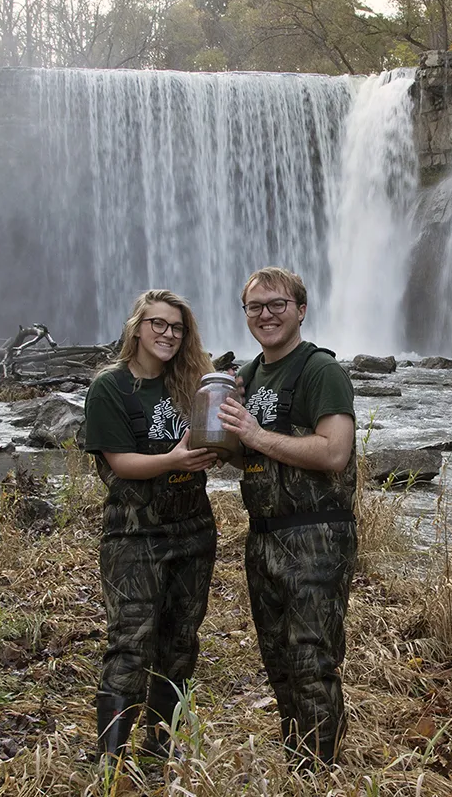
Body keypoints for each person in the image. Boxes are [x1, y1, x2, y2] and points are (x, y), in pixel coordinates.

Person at [217, 267, 357, 766]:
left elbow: (334, 452)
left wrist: (253, 435)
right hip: (264, 537)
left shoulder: (320, 371)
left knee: (312, 660)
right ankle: (299, 762)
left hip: (316, 534)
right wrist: (219, 441)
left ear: (300, 310)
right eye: (255, 307)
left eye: (277, 304)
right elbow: (251, 456)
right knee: (278, 661)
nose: (266, 315)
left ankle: (321, 772)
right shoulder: (250, 376)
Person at [83, 289, 220, 765]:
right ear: (137, 327)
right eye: (158, 324)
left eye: (177, 328)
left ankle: (161, 751)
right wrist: (175, 458)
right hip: (133, 534)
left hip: (194, 531)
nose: (168, 334)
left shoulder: (194, 384)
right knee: (131, 644)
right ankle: (111, 763)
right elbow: (119, 463)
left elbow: (216, 449)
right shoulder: (110, 387)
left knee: (180, 644)